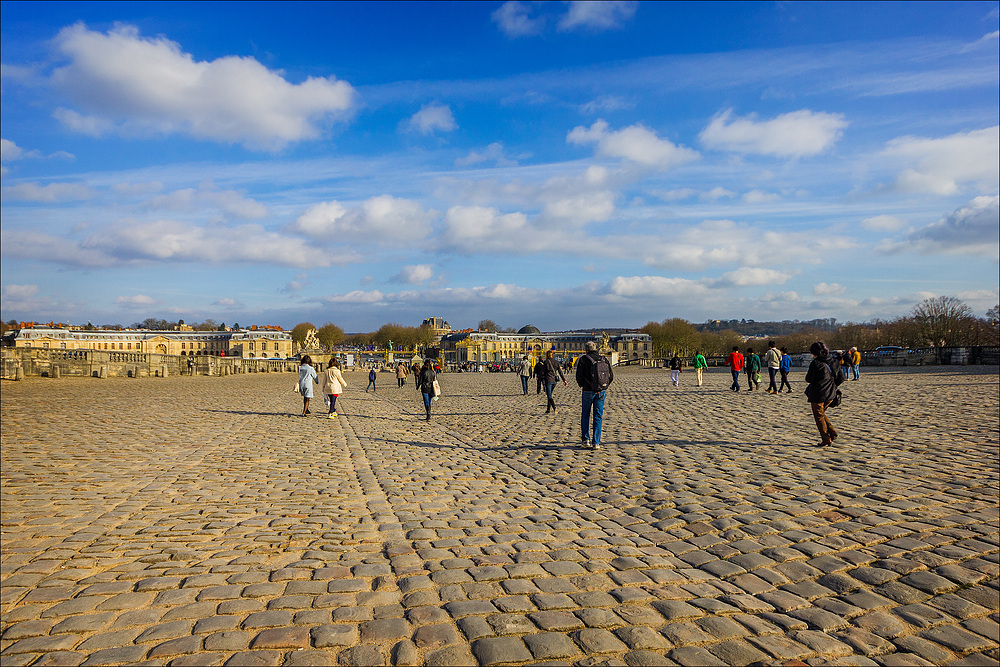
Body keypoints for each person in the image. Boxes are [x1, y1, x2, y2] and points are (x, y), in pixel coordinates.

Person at [805, 341, 845, 446]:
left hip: (818, 394)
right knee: (821, 413)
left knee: (818, 416)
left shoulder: (816, 363)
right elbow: (841, 378)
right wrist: (833, 386)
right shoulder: (835, 361)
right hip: (831, 394)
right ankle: (832, 431)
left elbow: (809, 379)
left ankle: (826, 438)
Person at [576, 341, 614, 449]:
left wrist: (582, 385)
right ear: (596, 349)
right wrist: (603, 386)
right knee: (598, 416)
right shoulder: (603, 359)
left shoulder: (583, 359)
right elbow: (611, 376)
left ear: (586, 350)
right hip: (601, 391)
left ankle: (585, 440)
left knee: (585, 415)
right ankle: (596, 442)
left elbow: (579, 376)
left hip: (587, 391)